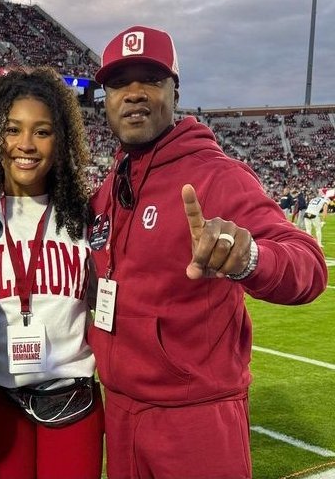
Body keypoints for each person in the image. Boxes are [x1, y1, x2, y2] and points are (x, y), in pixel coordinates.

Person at [88, 25, 328, 479]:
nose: (135, 94)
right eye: (121, 82)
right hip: (120, 411)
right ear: (106, 97)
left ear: (174, 91)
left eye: (151, 80)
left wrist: (250, 258)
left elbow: (309, 265)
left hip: (194, 417)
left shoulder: (216, 175)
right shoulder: (110, 186)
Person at [0, 66, 104, 479]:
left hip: (71, 397)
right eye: (13, 129)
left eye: (42, 131)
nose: (26, 145)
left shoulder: (84, 219)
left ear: (61, 140)